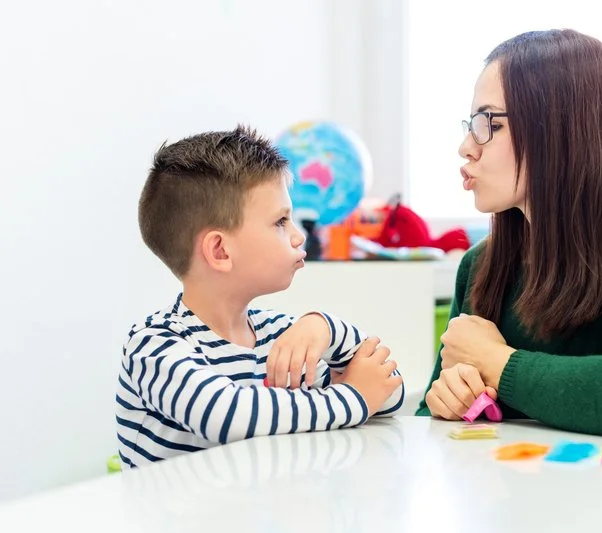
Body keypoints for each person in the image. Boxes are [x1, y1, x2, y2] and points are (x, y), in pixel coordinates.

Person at [415, 29, 602, 439]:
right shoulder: (480, 264)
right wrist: (447, 401)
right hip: (506, 492)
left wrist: (495, 360)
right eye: (471, 124)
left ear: (558, 128)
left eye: (487, 123)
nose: (467, 146)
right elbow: (430, 416)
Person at [116, 125, 403, 468]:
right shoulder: (154, 345)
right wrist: (354, 398)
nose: (297, 236)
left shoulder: (280, 336)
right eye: (281, 221)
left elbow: (388, 391)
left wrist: (326, 328)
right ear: (220, 250)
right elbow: (226, 417)